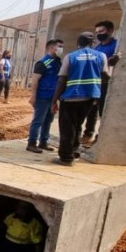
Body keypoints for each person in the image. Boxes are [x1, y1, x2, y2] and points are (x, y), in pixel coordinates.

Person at [52, 32, 107, 166]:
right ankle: (74, 152)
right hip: (89, 98)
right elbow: (105, 75)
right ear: (92, 43)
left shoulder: (71, 57)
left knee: (67, 128)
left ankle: (66, 158)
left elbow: (62, 79)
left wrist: (55, 99)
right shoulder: (101, 56)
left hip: (71, 97)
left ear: (78, 43)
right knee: (77, 126)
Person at [81, 20, 121, 145]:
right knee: (91, 110)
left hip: (106, 82)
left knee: (103, 111)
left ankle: (101, 136)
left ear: (110, 31)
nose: (99, 34)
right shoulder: (98, 47)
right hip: (95, 82)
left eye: (101, 31)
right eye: (97, 32)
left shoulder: (116, 45)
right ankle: (88, 135)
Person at [26, 39, 63, 153]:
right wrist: (33, 96)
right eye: (59, 46)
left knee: (48, 120)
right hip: (42, 96)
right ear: (51, 48)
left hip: (52, 97)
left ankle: (43, 142)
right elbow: (35, 79)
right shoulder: (43, 62)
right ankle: (31, 143)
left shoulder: (57, 62)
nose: (61, 49)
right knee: (38, 120)